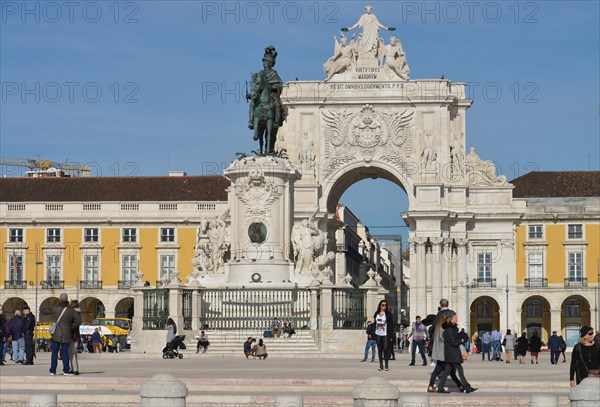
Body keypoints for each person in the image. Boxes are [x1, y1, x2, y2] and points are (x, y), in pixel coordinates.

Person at [436, 311, 477, 393]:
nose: (457, 318)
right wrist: (461, 340)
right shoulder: (449, 329)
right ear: (451, 319)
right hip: (453, 353)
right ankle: (467, 387)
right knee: (460, 370)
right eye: (455, 317)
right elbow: (453, 342)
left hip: (451, 353)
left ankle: (440, 387)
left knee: (447, 371)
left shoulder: (450, 329)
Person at [42, 293, 81, 375]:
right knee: (65, 352)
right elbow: (78, 321)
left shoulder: (55, 308)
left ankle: (52, 371)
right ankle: (66, 370)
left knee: (54, 352)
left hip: (56, 333)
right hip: (67, 333)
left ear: (60, 299)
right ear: (67, 300)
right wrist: (70, 326)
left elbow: (45, 311)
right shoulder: (71, 310)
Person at [427, 307, 464, 393]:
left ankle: (460, 386)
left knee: (448, 371)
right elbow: (444, 341)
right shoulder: (443, 329)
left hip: (439, 353)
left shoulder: (438, 327)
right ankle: (459, 386)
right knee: (441, 370)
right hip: (442, 353)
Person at [373, 300, 394, 371]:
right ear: (380, 305)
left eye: (385, 305)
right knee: (379, 349)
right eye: (382, 305)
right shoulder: (376, 313)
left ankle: (386, 364)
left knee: (385, 349)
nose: (384, 306)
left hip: (385, 334)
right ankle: (381, 365)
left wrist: (391, 336)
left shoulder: (388, 314)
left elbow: (391, 325)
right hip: (378, 333)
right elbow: (374, 323)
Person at [68, 300, 82, 375]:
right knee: (72, 353)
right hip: (76, 336)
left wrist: (69, 327)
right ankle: (74, 368)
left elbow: (76, 323)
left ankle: (75, 370)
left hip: (73, 336)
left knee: (72, 353)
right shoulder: (78, 313)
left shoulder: (73, 313)